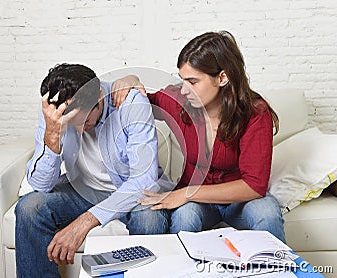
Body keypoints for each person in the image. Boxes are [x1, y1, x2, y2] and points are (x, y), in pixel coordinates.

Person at [112, 31, 285, 242]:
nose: (184, 90)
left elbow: (254, 186)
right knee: (186, 216)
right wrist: (131, 79)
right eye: (182, 80)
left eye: (192, 82)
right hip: (198, 204)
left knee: (267, 213)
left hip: (241, 201)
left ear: (222, 78)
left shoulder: (255, 113)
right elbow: (139, 104)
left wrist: (185, 194)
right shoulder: (179, 101)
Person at [15, 63, 171, 277]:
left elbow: (144, 182)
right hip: (83, 190)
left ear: (99, 97)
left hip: (130, 193)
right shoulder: (54, 111)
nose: (79, 130)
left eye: (85, 120)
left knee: (150, 219)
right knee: (29, 207)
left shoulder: (131, 103)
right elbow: (41, 185)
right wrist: (52, 135)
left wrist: (85, 221)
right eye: (72, 124)